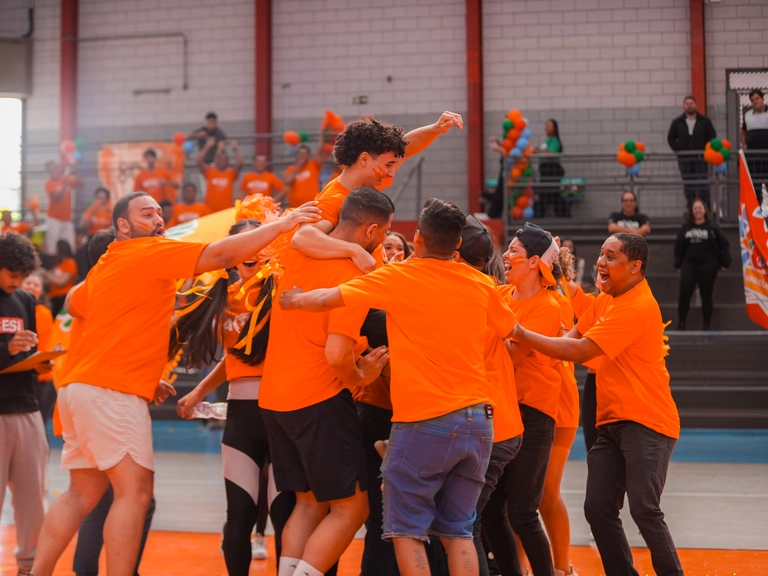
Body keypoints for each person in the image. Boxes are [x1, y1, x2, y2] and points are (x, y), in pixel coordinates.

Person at [30, 192, 320, 576]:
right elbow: (220, 255)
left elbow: (72, 302)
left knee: (81, 492)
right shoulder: (149, 251)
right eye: (146, 213)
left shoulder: (108, 264)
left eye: (159, 212)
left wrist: (145, 376)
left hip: (79, 388)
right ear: (122, 225)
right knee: (134, 493)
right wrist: (281, 225)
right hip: (110, 392)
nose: (158, 218)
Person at [280, 198, 519, 576]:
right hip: (478, 419)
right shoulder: (481, 282)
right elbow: (509, 330)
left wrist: (295, 299)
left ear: (418, 237)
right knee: (458, 530)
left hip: (425, 419)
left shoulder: (400, 276)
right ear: (457, 244)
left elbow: (329, 297)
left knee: (407, 530)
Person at [511, 233, 683, 576]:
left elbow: (580, 351)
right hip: (611, 421)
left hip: (648, 421)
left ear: (635, 267)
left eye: (611, 257)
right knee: (598, 508)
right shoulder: (606, 300)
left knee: (644, 509)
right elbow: (570, 338)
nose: (601, 262)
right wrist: (538, 337)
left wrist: (520, 333)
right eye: (602, 254)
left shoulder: (637, 306)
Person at [259, 188, 393, 576]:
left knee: (309, 502)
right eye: (384, 233)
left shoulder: (301, 252)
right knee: (352, 508)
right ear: (371, 231)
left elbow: (302, 235)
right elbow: (337, 355)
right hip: (317, 398)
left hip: (274, 398)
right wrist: (361, 375)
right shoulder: (352, 274)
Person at [174, 218, 297, 576]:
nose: (254, 250)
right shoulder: (224, 298)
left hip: (283, 410)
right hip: (241, 416)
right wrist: (198, 391)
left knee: (284, 514)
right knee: (239, 515)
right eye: (246, 243)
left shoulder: (285, 291)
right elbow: (234, 358)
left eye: (261, 242)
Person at [482, 223, 562, 576]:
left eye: (514, 250)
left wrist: (485, 336)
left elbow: (512, 354)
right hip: (498, 408)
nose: (505, 255)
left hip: (533, 413)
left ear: (534, 262)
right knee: (489, 509)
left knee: (523, 512)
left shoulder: (549, 306)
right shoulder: (499, 294)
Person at [291, 112, 464, 274]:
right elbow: (301, 238)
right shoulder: (335, 199)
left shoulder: (367, 182)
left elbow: (407, 147)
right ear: (365, 159)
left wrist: (436, 128)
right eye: (389, 165)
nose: (392, 173)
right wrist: (355, 250)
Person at [454, 216, 524, 576]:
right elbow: (513, 340)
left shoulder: (468, 295)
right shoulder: (489, 292)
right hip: (501, 424)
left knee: (463, 524)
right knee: (489, 518)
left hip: (487, 427)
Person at [0, 231, 51, 576]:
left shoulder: (25, 300)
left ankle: (29, 567)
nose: (17, 281)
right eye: (11, 274)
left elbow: (28, 350)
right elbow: (11, 349)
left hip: (27, 406)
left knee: (33, 497)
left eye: (23, 275)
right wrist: (7, 349)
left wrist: (38, 363)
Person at [675, 199, 731, 331]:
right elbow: (678, 247)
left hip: (708, 265)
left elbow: (724, 244)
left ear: (705, 210)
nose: (698, 210)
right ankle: (682, 323)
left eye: (700, 208)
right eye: (695, 208)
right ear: (692, 211)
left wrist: (725, 262)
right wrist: (678, 264)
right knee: (684, 293)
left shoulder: (712, 227)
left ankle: (707, 325)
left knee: (706, 294)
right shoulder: (686, 227)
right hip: (689, 265)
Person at [667, 95, 717, 207]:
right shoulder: (677, 122)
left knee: (703, 184)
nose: (689, 106)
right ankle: (691, 208)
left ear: (696, 105)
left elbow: (712, 136)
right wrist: (679, 150)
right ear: (683, 106)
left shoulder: (705, 121)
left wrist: (706, 150)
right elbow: (671, 138)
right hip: (685, 160)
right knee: (688, 185)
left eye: (691, 103)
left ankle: (705, 208)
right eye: (687, 104)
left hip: (701, 159)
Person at [20, 271, 56, 424]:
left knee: (37, 420)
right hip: (19, 371)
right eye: (28, 283)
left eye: (36, 285)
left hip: (39, 375)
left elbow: (44, 344)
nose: (31, 287)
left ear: (41, 291)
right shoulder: (12, 309)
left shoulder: (43, 313)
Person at [198, 138, 243, 213]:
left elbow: (240, 163)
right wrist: (207, 146)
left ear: (228, 161)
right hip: (209, 211)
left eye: (224, 159)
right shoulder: (210, 171)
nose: (222, 161)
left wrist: (235, 149)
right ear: (216, 160)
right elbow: (199, 161)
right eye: (220, 159)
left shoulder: (230, 173)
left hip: (226, 211)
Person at [44, 161, 79, 255]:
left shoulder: (66, 177)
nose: (53, 171)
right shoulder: (49, 183)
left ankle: (70, 263)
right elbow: (56, 197)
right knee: (51, 248)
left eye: (54, 168)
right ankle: (53, 264)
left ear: (58, 168)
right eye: (50, 169)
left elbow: (81, 184)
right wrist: (65, 184)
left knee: (71, 247)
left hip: (67, 219)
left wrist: (75, 171)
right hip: (54, 219)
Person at [535, 119, 568, 218]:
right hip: (545, 170)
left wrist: (538, 151)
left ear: (554, 128)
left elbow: (551, 154)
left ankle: (540, 217)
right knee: (550, 195)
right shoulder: (547, 141)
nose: (547, 127)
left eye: (550, 125)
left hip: (551, 170)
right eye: (546, 125)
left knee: (550, 194)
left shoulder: (554, 140)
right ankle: (563, 215)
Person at [283, 140, 328, 209]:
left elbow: (320, 151)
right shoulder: (291, 169)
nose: (302, 156)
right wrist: (299, 166)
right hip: (295, 207)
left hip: (312, 205)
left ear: (309, 155)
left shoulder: (313, 165)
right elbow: (287, 181)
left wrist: (322, 134)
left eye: (304, 154)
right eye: (300, 154)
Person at [44, 239, 78, 316]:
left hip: (63, 297)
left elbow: (62, 282)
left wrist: (46, 274)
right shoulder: (58, 264)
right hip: (53, 297)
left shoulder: (70, 263)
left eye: (56, 248)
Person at [741, 89, 768, 185]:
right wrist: (744, 145)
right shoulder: (747, 115)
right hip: (753, 156)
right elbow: (743, 132)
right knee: (754, 184)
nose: (755, 101)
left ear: (763, 99)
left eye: (757, 99)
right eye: (752, 100)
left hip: (767, 154)